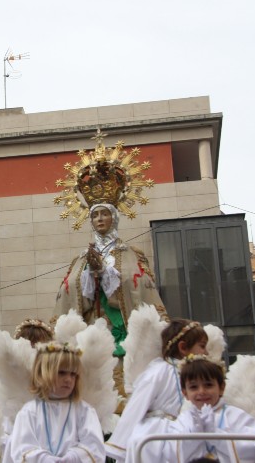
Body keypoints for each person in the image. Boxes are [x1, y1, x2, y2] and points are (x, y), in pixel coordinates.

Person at [53, 134, 168, 359]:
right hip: (91, 331)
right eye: (95, 215)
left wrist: (106, 275)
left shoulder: (132, 254)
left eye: (105, 213)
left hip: (125, 332)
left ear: (114, 218)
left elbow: (143, 288)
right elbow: (67, 294)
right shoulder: (81, 259)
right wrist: (89, 275)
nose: (99, 219)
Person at [106, 319, 208, 462]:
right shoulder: (159, 371)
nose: (206, 352)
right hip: (156, 436)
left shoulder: (199, 376)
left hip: (187, 434)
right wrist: (121, 445)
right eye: (202, 346)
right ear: (183, 347)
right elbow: (137, 406)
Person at [3, 341, 106, 462]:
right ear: (43, 373)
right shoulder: (29, 411)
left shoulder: (84, 411)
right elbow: (22, 447)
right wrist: (45, 459)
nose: (68, 379)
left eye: (73, 374)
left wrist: (72, 458)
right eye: (61, 373)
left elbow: (94, 446)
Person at [163, 355, 255, 463]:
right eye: (193, 387)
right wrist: (192, 437)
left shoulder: (237, 416)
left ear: (221, 388)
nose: (201, 391)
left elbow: (251, 449)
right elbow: (171, 454)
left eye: (208, 385)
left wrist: (217, 436)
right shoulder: (182, 420)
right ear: (185, 393)